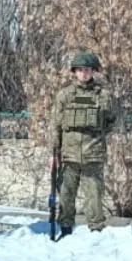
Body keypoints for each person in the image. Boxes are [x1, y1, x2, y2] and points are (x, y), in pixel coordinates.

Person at [51, 50, 118, 235]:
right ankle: (65, 227)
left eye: (87, 70)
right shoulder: (65, 95)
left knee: (94, 193)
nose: (84, 73)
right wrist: (54, 152)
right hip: (69, 153)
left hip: (93, 153)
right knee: (66, 192)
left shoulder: (103, 96)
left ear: (93, 71)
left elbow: (112, 120)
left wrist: (97, 135)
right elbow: (56, 125)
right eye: (80, 70)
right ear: (74, 72)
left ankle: (96, 229)